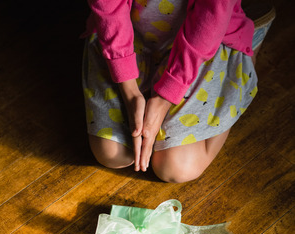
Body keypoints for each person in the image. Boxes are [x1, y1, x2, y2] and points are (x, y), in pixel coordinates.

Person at [82, 0, 275, 183]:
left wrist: (164, 98)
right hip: (128, 33)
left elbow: (210, 20)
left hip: (202, 44)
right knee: (112, 154)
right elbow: (109, 8)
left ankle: (249, 50)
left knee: (177, 168)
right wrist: (130, 91)